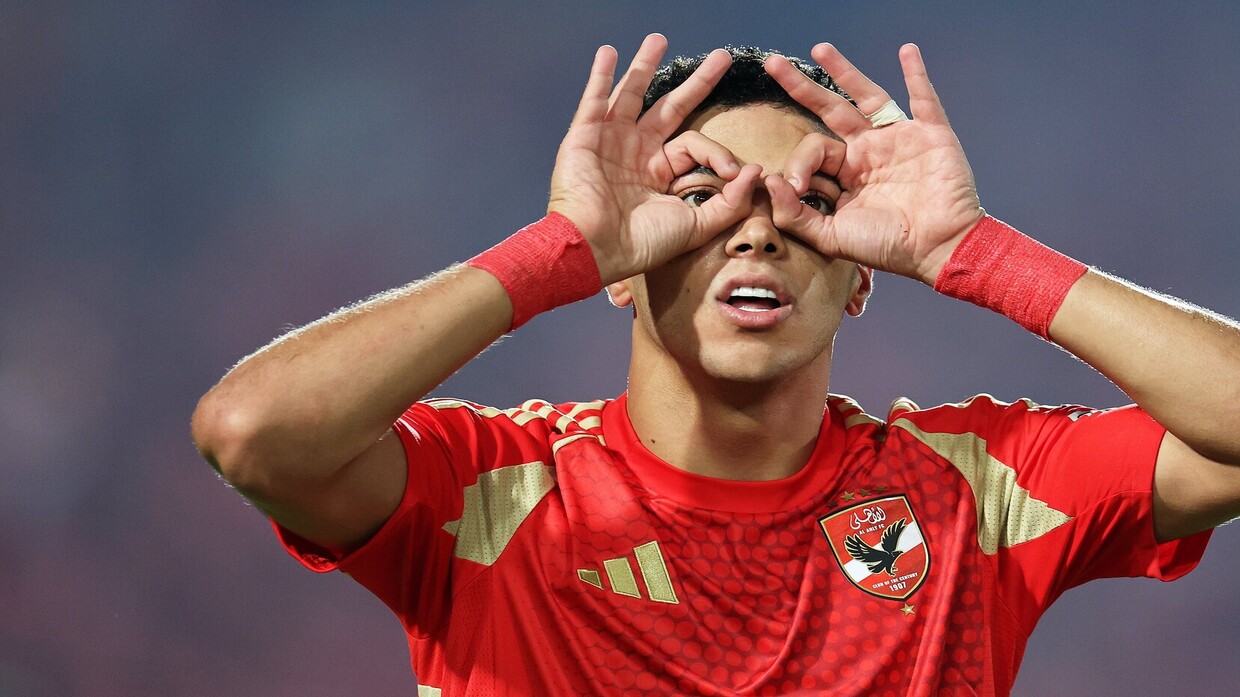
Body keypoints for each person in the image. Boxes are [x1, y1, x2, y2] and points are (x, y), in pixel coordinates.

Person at [191, 33, 1240, 696]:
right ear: (620, 268)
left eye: (810, 204)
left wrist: (976, 253)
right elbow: (252, 432)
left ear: (861, 277)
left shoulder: (973, 496)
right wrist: (557, 248)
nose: (756, 229)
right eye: (701, 199)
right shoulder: (493, 491)